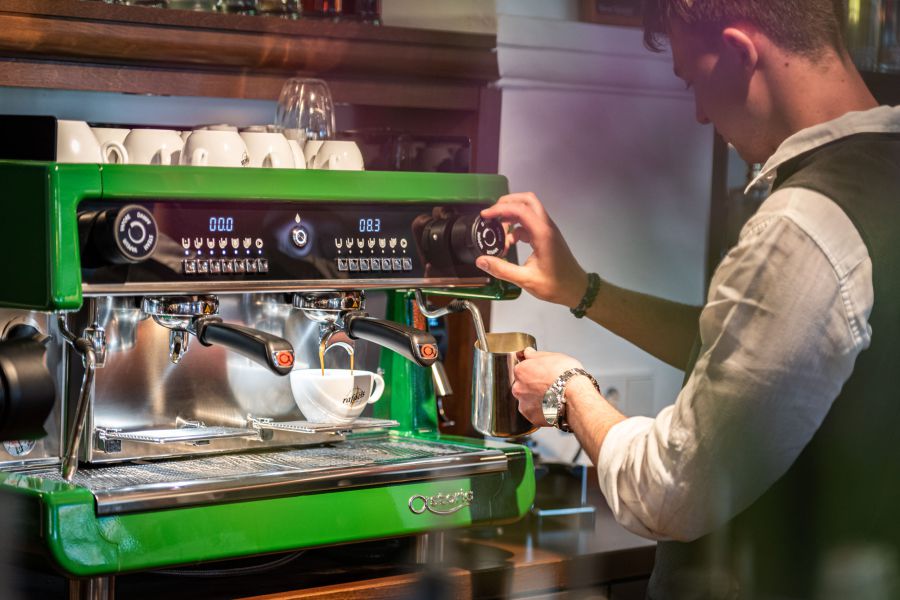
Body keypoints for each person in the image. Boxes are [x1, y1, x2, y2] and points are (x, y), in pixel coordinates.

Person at [476, 1, 900, 598]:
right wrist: (582, 290)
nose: (700, 114)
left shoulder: (803, 227)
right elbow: (760, 363)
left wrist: (567, 391)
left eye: (694, 80)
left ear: (737, 52)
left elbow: (669, 493)